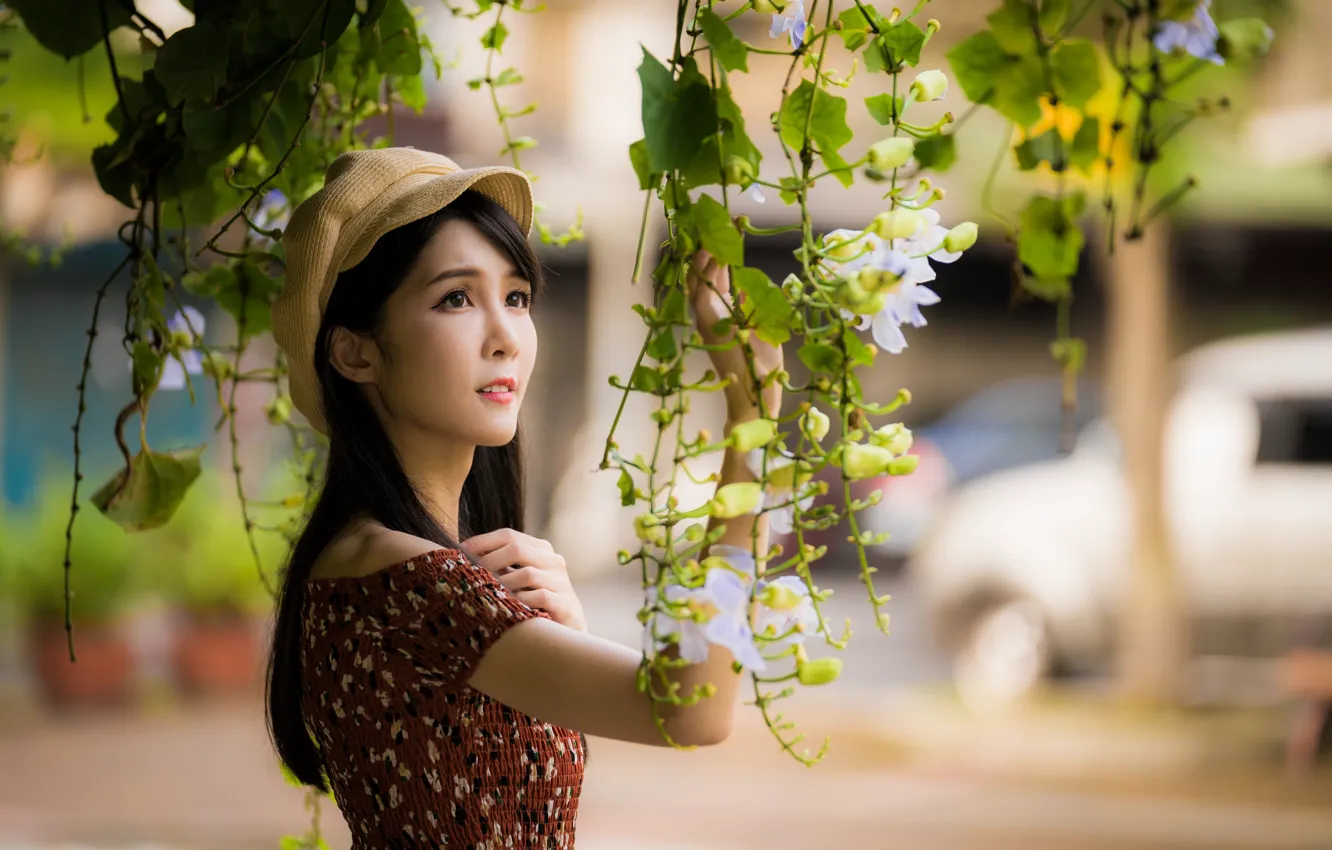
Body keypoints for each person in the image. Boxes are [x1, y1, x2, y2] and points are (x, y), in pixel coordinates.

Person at [265, 147, 783, 848]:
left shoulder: (401, 567)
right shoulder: (401, 576)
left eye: (515, 298)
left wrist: (555, 634)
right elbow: (693, 710)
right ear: (356, 353)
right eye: (456, 298)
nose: (506, 336)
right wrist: (749, 423)